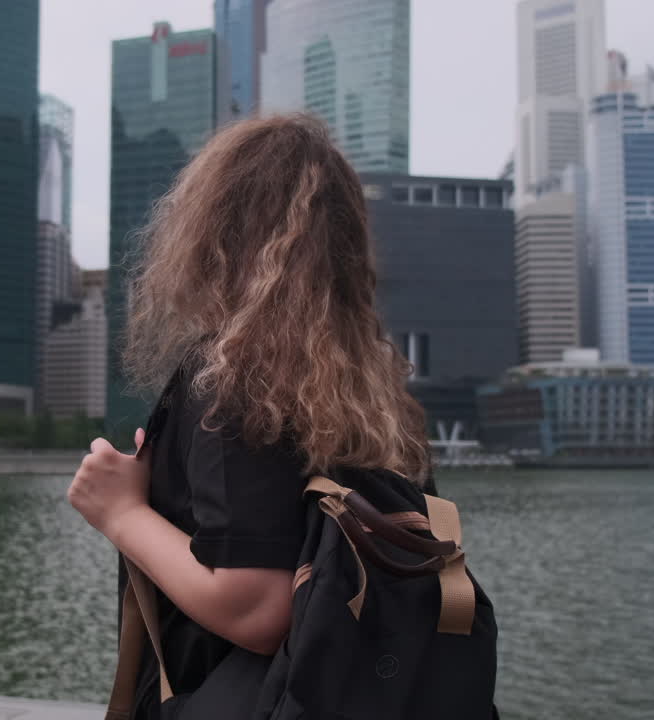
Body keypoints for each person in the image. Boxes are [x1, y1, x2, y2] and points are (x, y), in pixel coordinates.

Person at [67, 114, 430, 719]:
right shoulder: (374, 388)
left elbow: (256, 609)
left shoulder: (235, 379)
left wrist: (121, 510)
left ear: (211, 233)